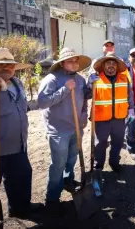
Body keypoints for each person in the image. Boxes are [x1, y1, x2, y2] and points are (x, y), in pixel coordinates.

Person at [0, 48, 42, 225]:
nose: (6, 68)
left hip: (18, 145)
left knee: (22, 176)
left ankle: (20, 207)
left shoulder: (17, 83)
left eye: (9, 64)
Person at [37, 48, 91, 210]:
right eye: (70, 61)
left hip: (76, 127)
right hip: (58, 129)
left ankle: (68, 180)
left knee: (72, 157)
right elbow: (43, 102)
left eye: (76, 61)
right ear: (62, 63)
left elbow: (84, 101)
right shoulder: (52, 79)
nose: (74, 64)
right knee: (58, 163)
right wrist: (65, 89)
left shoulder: (80, 80)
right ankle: (52, 198)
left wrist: (83, 116)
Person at [87, 52, 134, 173]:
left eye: (114, 63)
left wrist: (131, 109)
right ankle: (98, 166)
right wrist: (89, 84)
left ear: (117, 66)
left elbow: (130, 95)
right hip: (101, 118)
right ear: (103, 65)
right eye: (108, 63)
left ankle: (114, 162)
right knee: (100, 144)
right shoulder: (96, 79)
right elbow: (86, 95)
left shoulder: (124, 79)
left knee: (117, 142)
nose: (111, 65)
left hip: (119, 118)